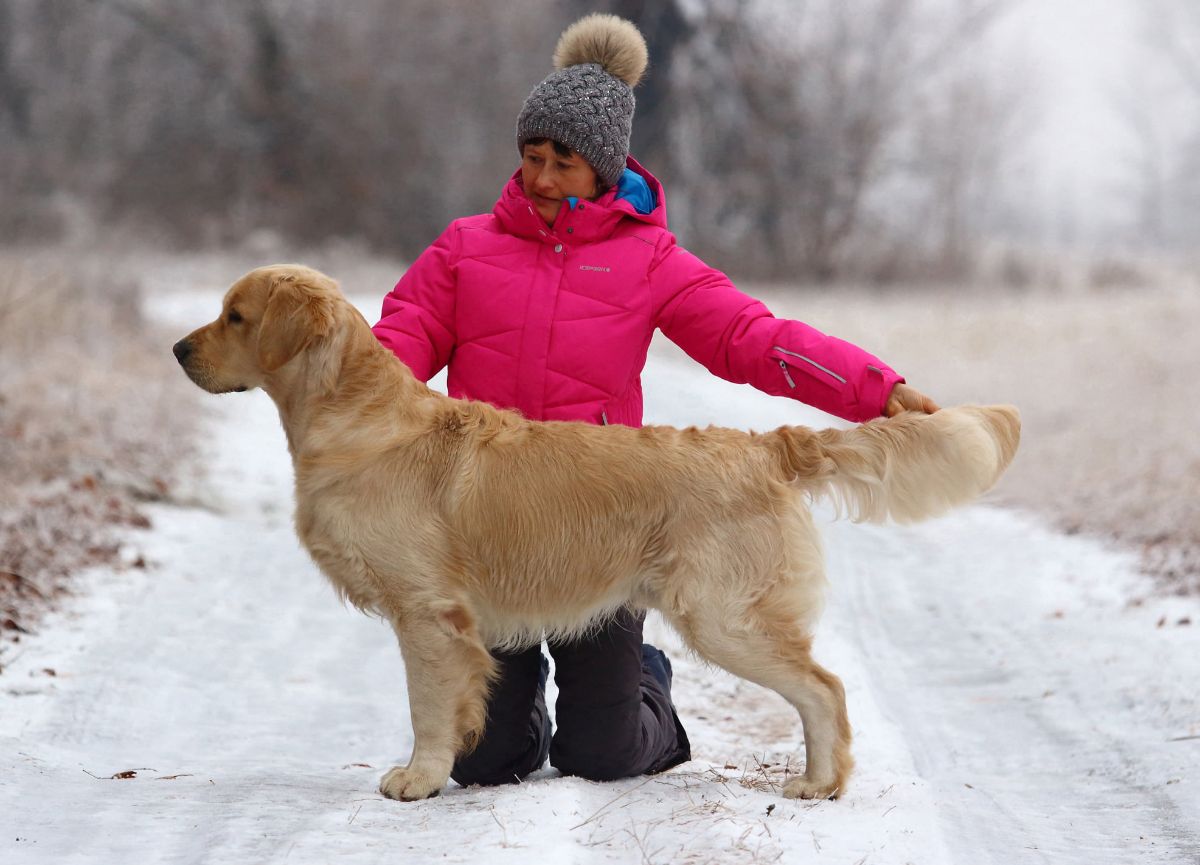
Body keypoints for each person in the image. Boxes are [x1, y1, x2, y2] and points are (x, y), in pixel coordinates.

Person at [371, 13, 939, 788]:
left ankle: (647, 685)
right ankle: (518, 708)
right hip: (487, 527)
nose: (539, 178)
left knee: (603, 755)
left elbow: (753, 337)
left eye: (561, 161)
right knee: (487, 762)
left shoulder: (649, 258)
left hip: (607, 524)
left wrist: (879, 390)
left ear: (603, 168)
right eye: (530, 156)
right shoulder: (466, 247)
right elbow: (392, 355)